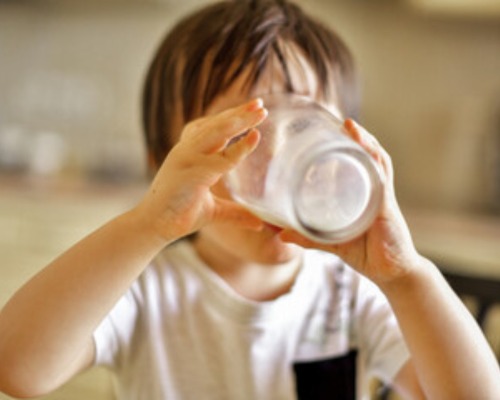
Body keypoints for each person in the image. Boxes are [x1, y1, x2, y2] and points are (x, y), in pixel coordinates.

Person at [0, 0, 499, 399]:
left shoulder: (350, 294)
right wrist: (145, 224)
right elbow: (17, 368)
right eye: (241, 137)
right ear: (163, 165)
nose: (277, 165)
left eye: (304, 129)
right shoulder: (146, 292)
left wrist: (407, 277)